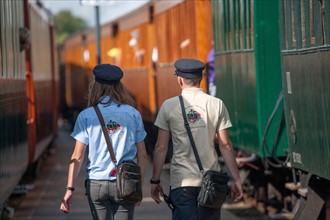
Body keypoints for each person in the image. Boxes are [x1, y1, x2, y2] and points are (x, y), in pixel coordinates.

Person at [150, 58, 243, 220]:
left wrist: (155, 180)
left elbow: (160, 147)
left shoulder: (168, 106)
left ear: (179, 79)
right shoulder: (216, 104)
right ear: (201, 78)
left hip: (182, 182)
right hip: (211, 182)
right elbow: (225, 145)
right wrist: (236, 179)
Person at [60, 63, 147, 220]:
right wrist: (138, 187)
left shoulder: (86, 116)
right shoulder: (133, 114)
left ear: (95, 86)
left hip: (96, 183)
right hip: (125, 181)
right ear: (119, 87)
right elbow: (142, 154)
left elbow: (77, 157)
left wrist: (70, 189)